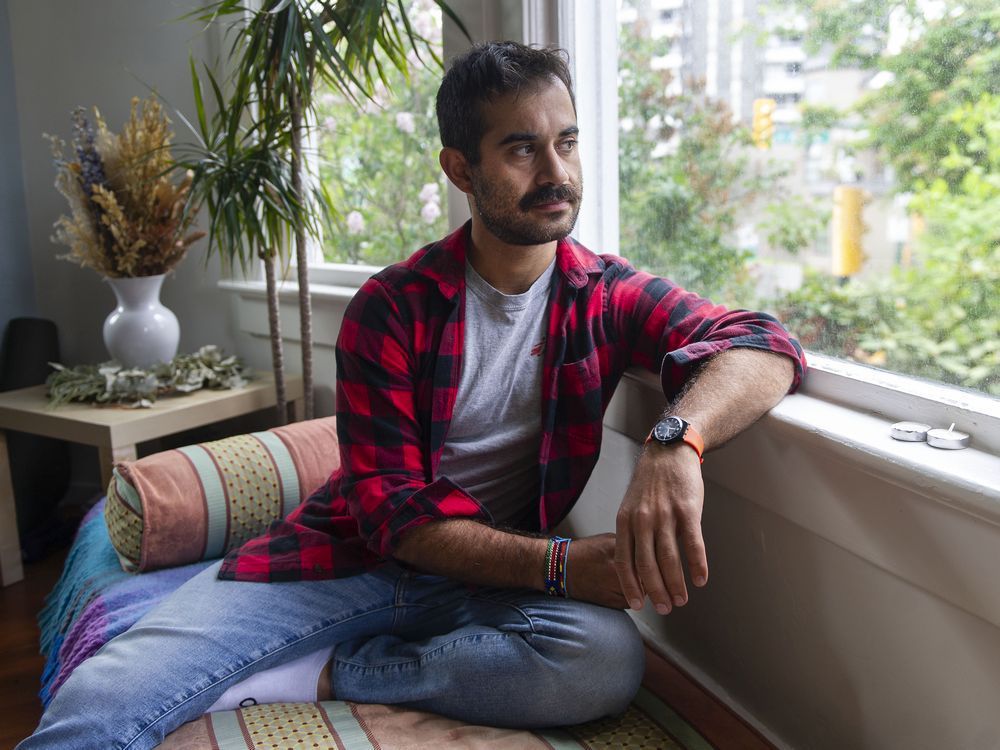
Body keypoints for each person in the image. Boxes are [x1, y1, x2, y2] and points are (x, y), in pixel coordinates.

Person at [20, 41, 805, 749]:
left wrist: (676, 445)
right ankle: (289, 652)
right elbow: (396, 518)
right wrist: (564, 567)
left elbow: (765, 345)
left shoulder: (605, 294)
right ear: (460, 169)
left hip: (491, 579)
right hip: (350, 559)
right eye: (521, 149)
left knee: (600, 662)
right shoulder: (391, 306)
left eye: (566, 142)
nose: (557, 174)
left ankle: (328, 674)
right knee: (104, 700)